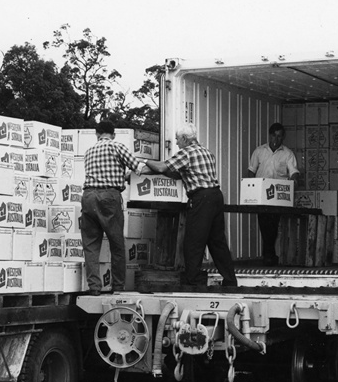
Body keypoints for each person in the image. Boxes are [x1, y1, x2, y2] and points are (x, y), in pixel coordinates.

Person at [141, 123, 238, 287]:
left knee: (193, 241)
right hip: (215, 196)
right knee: (217, 241)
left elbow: (163, 167)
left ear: (185, 139)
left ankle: (193, 281)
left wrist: (143, 161)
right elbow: (178, 173)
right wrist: (149, 170)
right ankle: (230, 280)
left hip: (201, 199)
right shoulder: (207, 152)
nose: (177, 143)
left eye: (178, 139)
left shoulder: (186, 153)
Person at [80, 121, 144, 294]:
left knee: (91, 245)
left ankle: (94, 287)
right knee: (116, 243)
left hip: (88, 196)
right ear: (113, 134)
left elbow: (103, 172)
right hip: (109, 196)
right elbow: (137, 167)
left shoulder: (89, 151)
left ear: (97, 134)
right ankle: (117, 286)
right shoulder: (117, 147)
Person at [247, 122, 300, 266]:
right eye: (274, 136)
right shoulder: (259, 151)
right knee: (264, 224)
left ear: (283, 138)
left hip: (277, 195)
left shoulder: (288, 154)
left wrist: (293, 181)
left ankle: (268, 255)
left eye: (279, 136)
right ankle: (269, 254)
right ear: (269, 136)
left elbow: (294, 172)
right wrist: (251, 188)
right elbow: (251, 171)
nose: (276, 139)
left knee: (273, 224)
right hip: (261, 195)